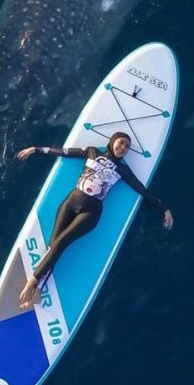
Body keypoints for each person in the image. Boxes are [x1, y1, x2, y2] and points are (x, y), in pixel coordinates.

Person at [14, 132, 174, 309]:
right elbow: (64, 152)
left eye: (126, 147)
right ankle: (37, 292)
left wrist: (164, 208)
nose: (122, 148)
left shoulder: (123, 170)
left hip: (90, 213)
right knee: (54, 246)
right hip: (69, 204)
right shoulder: (92, 152)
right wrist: (36, 149)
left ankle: (32, 282)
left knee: (60, 243)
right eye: (121, 143)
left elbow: (141, 190)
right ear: (113, 141)